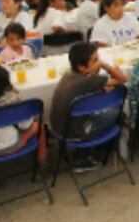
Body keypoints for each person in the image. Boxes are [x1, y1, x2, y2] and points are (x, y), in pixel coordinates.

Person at [49, 42, 128, 171]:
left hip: (59, 129)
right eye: (95, 60)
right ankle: (85, 156)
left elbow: (94, 89)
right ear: (81, 67)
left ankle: (93, 151)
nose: (99, 63)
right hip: (75, 132)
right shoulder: (91, 80)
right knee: (119, 113)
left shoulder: (68, 76)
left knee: (106, 111)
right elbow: (123, 79)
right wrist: (105, 66)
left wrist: (102, 87)